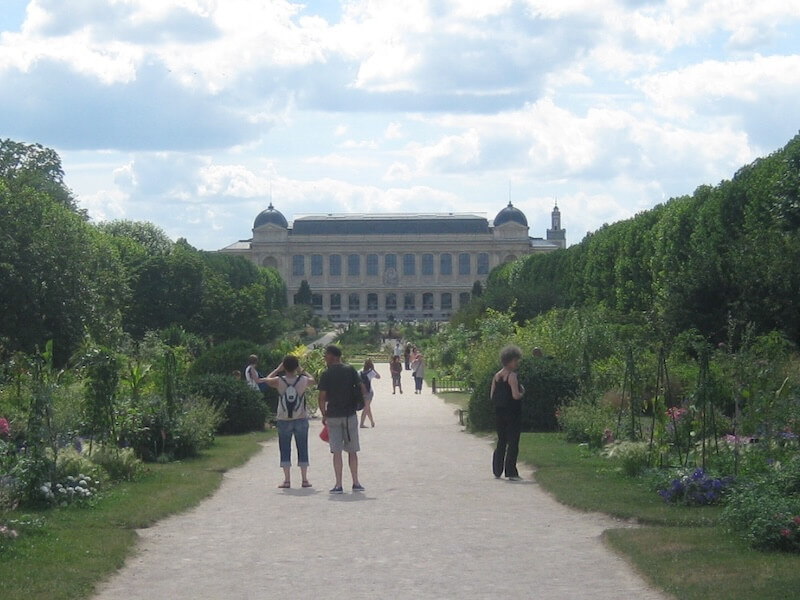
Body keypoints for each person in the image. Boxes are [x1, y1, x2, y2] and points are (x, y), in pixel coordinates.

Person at [317, 345, 366, 494]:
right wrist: (360, 401)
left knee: (336, 452)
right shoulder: (350, 370)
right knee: (352, 451)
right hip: (349, 414)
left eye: (326, 355)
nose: (325, 357)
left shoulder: (326, 374)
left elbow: (322, 396)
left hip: (333, 415)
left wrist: (324, 413)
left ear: (332, 356)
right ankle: (356, 482)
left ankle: (338, 484)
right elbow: (362, 388)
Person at [264, 355, 315, 489]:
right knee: (303, 448)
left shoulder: (279, 381)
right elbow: (314, 380)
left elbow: (267, 380)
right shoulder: (303, 380)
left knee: (285, 448)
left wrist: (277, 369)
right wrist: (302, 370)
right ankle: (304, 479)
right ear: (296, 366)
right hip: (301, 417)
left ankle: (287, 480)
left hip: (284, 419)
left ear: (284, 367)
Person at [491, 345, 525, 481]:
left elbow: (492, 395)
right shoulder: (512, 376)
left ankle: (497, 469)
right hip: (512, 412)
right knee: (513, 441)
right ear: (509, 361)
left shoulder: (497, 376)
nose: (517, 363)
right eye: (515, 360)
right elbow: (515, 395)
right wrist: (523, 392)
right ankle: (511, 471)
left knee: (501, 440)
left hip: (499, 412)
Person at [360, 359, 380, 428]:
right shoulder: (370, 372)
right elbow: (378, 376)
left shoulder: (361, 372)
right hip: (369, 392)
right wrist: (373, 369)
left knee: (368, 407)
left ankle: (372, 422)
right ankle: (361, 423)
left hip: (362, 392)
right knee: (366, 408)